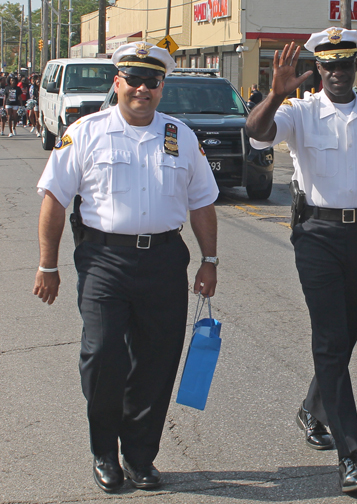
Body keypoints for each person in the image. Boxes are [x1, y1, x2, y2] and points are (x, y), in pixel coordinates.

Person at [245, 27, 357, 493]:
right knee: (329, 338)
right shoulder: (300, 113)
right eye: (329, 65)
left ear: (355, 68)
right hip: (317, 237)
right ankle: (351, 457)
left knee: (343, 337)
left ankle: (312, 408)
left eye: (345, 64)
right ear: (319, 70)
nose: (338, 73)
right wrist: (273, 95)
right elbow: (257, 133)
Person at [33, 41, 219, 493]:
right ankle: (104, 450)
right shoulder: (86, 132)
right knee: (102, 355)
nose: (141, 89)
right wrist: (48, 265)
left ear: (162, 86)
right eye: (132, 80)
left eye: (151, 81)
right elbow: (56, 199)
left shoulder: (181, 135)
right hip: (104, 259)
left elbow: (202, 204)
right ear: (117, 83)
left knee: (156, 363)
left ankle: (138, 456)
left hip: (164, 259)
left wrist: (210, 260)